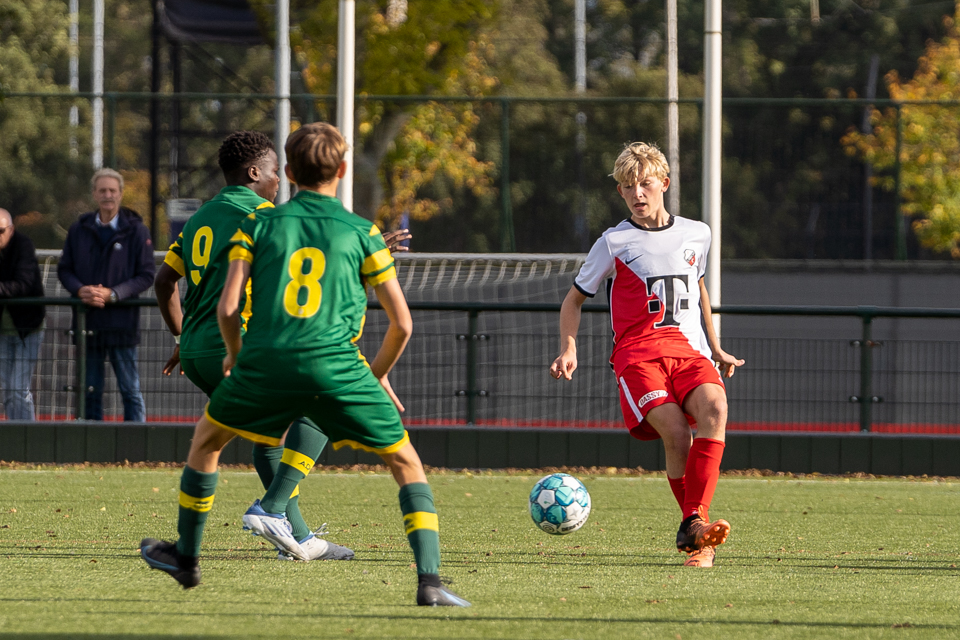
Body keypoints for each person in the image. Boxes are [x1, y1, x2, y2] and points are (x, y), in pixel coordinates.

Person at [140, 122, 468, 606]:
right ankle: (430, 581)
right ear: (343, 169)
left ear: (290, 172)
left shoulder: (260, 223)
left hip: (261, 358)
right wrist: (372, 378)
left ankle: (188, 557)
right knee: (405, 462)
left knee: (207, 441)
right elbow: (402, 325)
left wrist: (234, 355)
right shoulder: (362, 232)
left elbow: (225, 307)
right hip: (336, 364)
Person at [154, 131, 351, 562]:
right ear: (255, 172)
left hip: (196, 351)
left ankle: (298, 539)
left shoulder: (200, 218)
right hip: (236, 346)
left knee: (270, 432)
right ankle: (273, 509)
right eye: (275, 171)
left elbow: (164, 281)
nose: (280, 179)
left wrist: (179, 336)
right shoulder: (264, 215)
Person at [549, 142, 744, 568]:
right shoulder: (614, 242)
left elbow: (699, 290)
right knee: (676, 436)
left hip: (688, 353)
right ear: (621, 192)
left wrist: (715, 347)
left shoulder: (698, 233)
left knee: (716, 406)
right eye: (627, 186)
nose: (637, 193)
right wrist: (569, 347)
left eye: (645, 184)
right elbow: (573, 301)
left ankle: (695, 528)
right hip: (638, 358)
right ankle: (697, 531)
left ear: (665, 184)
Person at [57, 169, 154, 421]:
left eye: (112, 190)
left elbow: (146, 275)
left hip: (122, 326)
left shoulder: (137, 231)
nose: (107, 195)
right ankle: (90, 448)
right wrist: (80, 289)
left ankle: (138, 449)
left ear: (121, 194)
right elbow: (65, 269)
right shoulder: (79, 229)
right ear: (94, 194)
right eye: (102, 190)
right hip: (87, 324)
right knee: (90, 390)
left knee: (130, 390)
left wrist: (114, 294)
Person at [0, 208, 45, 420]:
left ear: (11, 229)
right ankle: (14, 439)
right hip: (3, 331)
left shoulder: (23, 246)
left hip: (28, 327)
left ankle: (29, 436)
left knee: (19, 388)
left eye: (0, 231)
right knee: (7, 390)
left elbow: (23, 284)